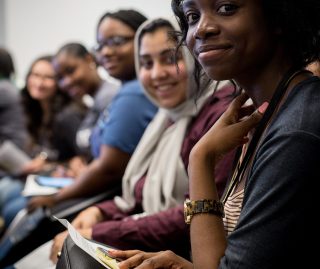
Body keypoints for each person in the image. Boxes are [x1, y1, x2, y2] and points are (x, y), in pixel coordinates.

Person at [106, 0, 320, 268]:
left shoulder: (296, 132)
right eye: (192, 16)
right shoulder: (258, 113)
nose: (201, 29)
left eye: (227, 8)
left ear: (279, 15)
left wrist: (201, 159)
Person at [48, 17, 235, 264]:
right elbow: (141, 195)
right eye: (146, 63)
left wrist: (99, 232)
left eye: (171, 58)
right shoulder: (167, 117)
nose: (157, 73)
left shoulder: (221, 112)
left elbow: (192, 214)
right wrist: (100, 211)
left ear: (196, 55)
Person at [0, 9, 157, 267]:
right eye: (101, 45)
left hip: (104, 199)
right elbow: (92, 153)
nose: (106, 52)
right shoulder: (119, 94)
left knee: (21, 214)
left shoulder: (131, 95)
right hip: (96, 195)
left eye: (116, 41)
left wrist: (57, 197)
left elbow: (108, 167)